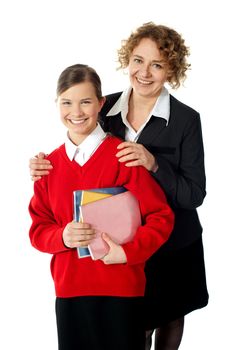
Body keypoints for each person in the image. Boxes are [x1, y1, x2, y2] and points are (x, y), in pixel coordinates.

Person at [29, 22, 209, 350]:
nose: (144, 71)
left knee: (168, 318)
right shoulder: (104, 107)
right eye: (138, 60)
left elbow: (193, 193)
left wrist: (153, 163)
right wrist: (43, 167)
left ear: (172, 69)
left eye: (157, 64)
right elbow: (79, 139)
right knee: (135, 330)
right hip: (102, 255)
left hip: (170, 245)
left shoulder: (185, 120)